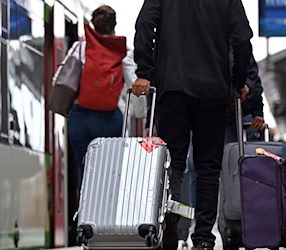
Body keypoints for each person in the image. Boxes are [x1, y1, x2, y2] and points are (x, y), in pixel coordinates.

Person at [132, 0, 253, 249]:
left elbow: (144, 25)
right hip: (213, 91)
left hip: (172, 88)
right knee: (208, 168)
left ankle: (170, 227)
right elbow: (241, 38)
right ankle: (203, 239)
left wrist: (145, 71)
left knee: (172, 163)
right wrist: (238, 81)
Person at [66, 5, 146, 190]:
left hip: (80, 117)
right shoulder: (122, 53)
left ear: (93, 25)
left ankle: (84, 215)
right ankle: (105, 215)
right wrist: (140, 113)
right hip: (110, 118)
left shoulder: (81, 48)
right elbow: (135, 86)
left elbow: (62, 79)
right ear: (114, 26)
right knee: (109, 173)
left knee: (86, 171)